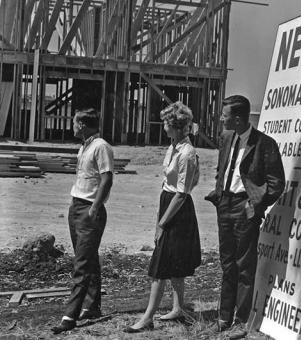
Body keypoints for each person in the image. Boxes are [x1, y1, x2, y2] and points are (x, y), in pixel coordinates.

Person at [206, 95, 285, 338]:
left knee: (244, 267)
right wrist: (218, 195)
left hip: (244, 208)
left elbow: (277, 184)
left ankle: (240, 323)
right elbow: (222, 168)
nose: (221, 118)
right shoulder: (226, 137)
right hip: (225, 205)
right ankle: (223, 317)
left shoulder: (265, 144)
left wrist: (255, 205)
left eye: (225, 115)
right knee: (227, 264)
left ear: (238, 118)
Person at [124, 101, 201, 333]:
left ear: (176, 126)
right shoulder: (173, 146)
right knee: (174, 261)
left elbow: (182, 192)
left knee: (158, 266)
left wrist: (162, 223)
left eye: (166, 123)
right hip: (168, 202)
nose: (163, 126)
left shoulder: (187, 153)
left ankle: (147, 318)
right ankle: (178, 308)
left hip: (178, 208)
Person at [52, 108, 114, 334]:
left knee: (81, 264)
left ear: (83, 125)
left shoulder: (101, 147)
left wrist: (95, 207)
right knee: (89, 259)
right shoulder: (85, 146)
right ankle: (92, 306)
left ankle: (70, 316)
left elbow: (107, 179)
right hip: (77, 205)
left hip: (90, 209)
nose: (72, 125)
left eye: (74, 122)